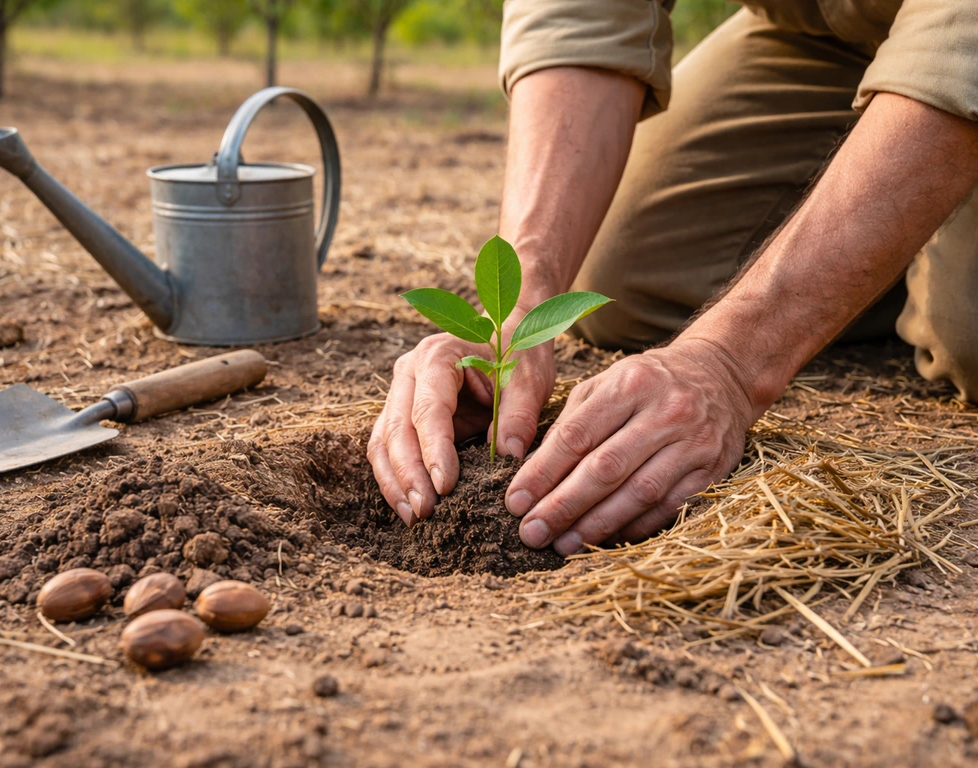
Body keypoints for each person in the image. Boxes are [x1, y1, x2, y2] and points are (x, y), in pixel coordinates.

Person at [368, 0, 978, 556]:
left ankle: (913, 230)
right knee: (626, 279)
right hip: (830, 28)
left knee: (966, 330)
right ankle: (886, 231)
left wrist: (728, 359)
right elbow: (585, 14)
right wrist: (521, 306)